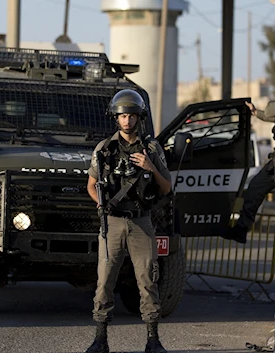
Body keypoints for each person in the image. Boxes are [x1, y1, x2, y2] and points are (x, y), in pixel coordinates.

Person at [84, 89, 172, 353]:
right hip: (112, 223)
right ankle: (100, 340)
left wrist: (150, 167)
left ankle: (153, 340)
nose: (127, 121)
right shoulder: (104, 149)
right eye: (123, 115)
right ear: (116, 117)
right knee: (104, 282)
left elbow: (167, 188)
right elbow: (90, 184)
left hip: (141, 222)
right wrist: (100, 202)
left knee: (147, 280)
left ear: (139, 117)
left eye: (132, 115)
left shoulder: (151, 148)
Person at [221, 66, 275, 244]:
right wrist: (255, 112)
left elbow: (272, 110)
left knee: (258, 188)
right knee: (257, 188)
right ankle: (241, 229)